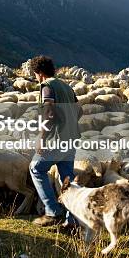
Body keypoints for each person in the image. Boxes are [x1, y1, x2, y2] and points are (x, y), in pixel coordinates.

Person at [29, 55, 81, 228]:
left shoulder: (47, 86)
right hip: (72, 139)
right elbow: (78, 110)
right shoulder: (66, 86)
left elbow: (49, 113)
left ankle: (52, 211)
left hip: (56, 140)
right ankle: (72, 220)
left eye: (35, 74)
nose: (36, 77)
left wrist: (41, 138)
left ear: (40, 73)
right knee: (67, 179)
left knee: (36, 168)